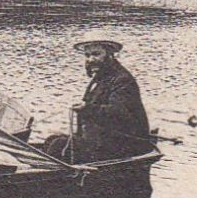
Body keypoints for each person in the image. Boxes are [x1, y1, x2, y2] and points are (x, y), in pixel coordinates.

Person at [43, 32, 153, 162]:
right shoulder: (100, 77)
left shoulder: (122, 80)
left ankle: (48, 177)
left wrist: (87, 108)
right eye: (87, 55)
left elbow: (118, 112)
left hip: (123, 145)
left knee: (58, 145)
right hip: (101, 140)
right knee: (52, 140)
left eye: (96, 54)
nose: (90, 59)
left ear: (110, 54)